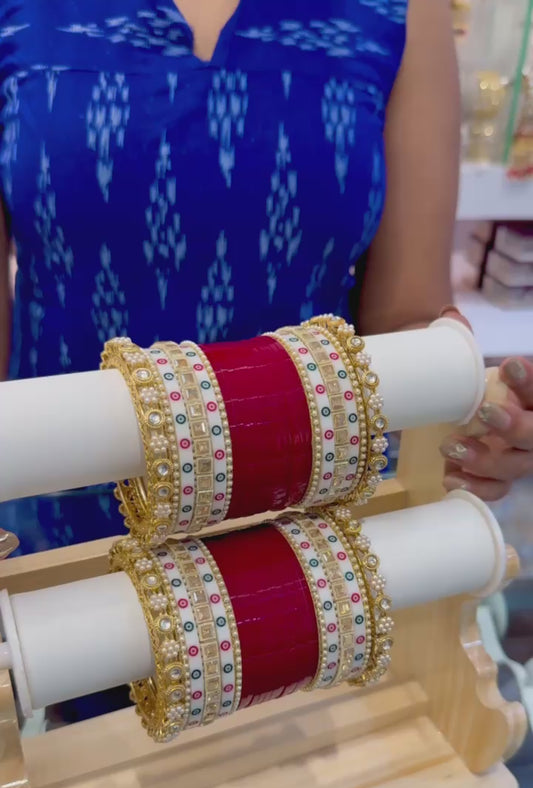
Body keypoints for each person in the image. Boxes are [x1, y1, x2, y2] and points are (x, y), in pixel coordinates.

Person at [1, 0, 532, 556]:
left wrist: (469, 414)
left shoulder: (404, 11)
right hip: (56, 514)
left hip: (307, 531)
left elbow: (406, 321)